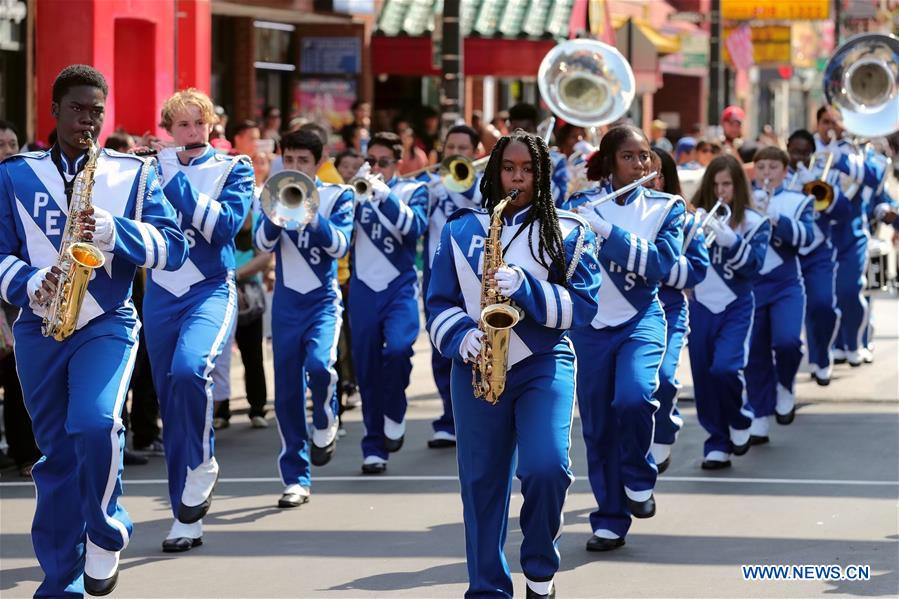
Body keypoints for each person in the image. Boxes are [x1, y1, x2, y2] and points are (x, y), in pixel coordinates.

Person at [0, 64, 187, 596]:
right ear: (54, 111)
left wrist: (115, 230)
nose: (88, 119)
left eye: (97, 111)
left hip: (106, 320)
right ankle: (62, 581)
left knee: (96, 422)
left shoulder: (132, 174)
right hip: (40, 326)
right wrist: (29, 281)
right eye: (78, 108)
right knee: (57, 456)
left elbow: (174, 248)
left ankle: (106, 527)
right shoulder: (14, 175)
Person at [427, 129, 600, 598]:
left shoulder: (568, 231)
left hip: (544, 361)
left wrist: (525, 287)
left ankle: (540, 571)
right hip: (478, 364)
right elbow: (438, 302)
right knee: (481, 484)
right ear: (494, 172)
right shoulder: (462, 229)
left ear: (541, 174)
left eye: (527, 170)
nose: (517, 179)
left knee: (547, 468)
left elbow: (583, 308)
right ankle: (487, 589)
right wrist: (461, 337)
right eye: (509, 169)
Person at [565, 125, 685, 552]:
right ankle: (610, 518)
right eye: (630, 156)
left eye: (646, 156)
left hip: (641, 319)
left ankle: (639, 473)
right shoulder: (579, 205)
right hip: (590, 328)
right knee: (596, 427)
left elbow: (661, 265)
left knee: (634, 397)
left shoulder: (665, 206)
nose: (641, 164)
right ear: (610, 162)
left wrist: (606, 233)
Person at [146, 88, 253, 553]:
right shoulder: (153, 167)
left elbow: (224, 228)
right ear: (168, 130)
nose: (191, 133)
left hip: (209, 287)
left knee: (191, 370)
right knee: (171, 406)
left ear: (210, 125)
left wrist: (173, 179)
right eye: (182, 126)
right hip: (159, 291)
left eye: (198, 124)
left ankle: (204, 462)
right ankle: (184, 517)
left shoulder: (235, 167)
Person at [254, 129, 354, 506]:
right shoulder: (272, 192)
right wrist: (279, 214)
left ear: (318, 162)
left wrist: (311, 215)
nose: (294, 167)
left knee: (320, 365)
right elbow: (261, 245)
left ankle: (327, 417)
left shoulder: (337, 195)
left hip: (322, 301)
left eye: (302, 162)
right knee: (287, 395)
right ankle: (296, 478)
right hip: (285, 305)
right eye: (289, 160)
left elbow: (341, 245)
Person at [351, 131, 428, 474]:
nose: (376, 168)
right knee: (365, 367)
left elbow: (415, 229)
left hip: (399, 286)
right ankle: (373, 444)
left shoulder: (415, 191)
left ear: (397, 163)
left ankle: (395, 408)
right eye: (371, 161)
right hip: (363, 288)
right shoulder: (354, 191)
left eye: (383, 162)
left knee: (398, 349)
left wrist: (386, 198)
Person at [689, 155, 770, 468]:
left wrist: (732, 241)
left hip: (736, 304)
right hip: (700, 306)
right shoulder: (695, 219)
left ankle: (739, 417)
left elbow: (753, 268)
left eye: (728, 185)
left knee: (725, 368)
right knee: (703, 377)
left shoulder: (754, 223)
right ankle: (716, 441)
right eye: (716, 185)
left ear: (739, 186)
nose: (721, 192)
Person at [745, 146, 814, 444]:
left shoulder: (799, 201)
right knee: (755, 351)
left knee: (787, 341)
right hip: (752, 284)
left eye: (773, 168)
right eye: (761, 168)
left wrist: (776, 219)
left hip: (786, 283)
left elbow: (806, 239)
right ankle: (760, 412)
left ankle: (785, 383)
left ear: (785, 171)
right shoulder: (744, 199)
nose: (767, 174)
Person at [648, 148, 709, 472]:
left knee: (664, 378)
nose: (650, 179)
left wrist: (653, 265)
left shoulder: (684, 216)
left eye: (657, 173)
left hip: (669, 308)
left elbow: (697, 270)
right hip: (627, 314)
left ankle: (666, 425)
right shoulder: (625, 215)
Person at [423, 124, 483, 449]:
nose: (456, 154)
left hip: (471, 275)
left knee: (472, 343)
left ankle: (471, 414)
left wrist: (464, 180)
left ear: (475, 154)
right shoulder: (430, 186)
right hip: (437, 273)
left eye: (463, 148)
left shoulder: (483, 185)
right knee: (440, 346)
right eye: (451, 148)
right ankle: (448, 418)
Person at [785, 129, 849, 385]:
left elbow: (843, 211)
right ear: (787, 147)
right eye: (795, 151)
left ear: (812, 153)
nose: (799, 156)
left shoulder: (826, 174)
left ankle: (822, 355)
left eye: (805, 152)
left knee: (823, 306)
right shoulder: (777, 175)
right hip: (788, 253)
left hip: (818, 251)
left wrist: (818, 187)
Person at [508, 103, 569, 207]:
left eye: (526, 130)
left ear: (535, 129)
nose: (522, 137)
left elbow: (560, 201)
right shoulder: (501, 157)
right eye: (516, 131)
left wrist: (541, 170)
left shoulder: (557, 160)